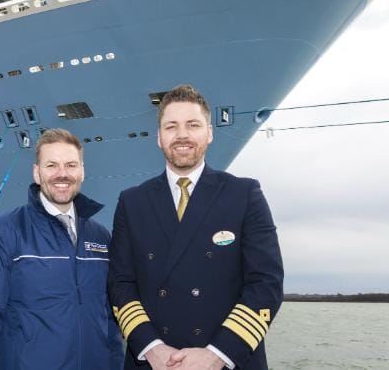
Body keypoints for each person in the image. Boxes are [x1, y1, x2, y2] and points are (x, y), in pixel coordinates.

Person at [108, 85, 283, 370]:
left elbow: (266, 283)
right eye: (171, 126)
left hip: (228, 360)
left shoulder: (244, 195)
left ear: (209, 133)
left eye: (193, 125)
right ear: (159, 137)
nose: (182, 135)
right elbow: (120, 284)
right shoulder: (132, 202)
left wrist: (217, 354)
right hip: (154, 362)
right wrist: (152, 348)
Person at [0, 128, 124, 370]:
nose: (62, 174)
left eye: (70, 165)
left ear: (82, 171)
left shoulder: (100, 237)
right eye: (51, 165)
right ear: (37, 173)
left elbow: (109, 321)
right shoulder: (5, 231)